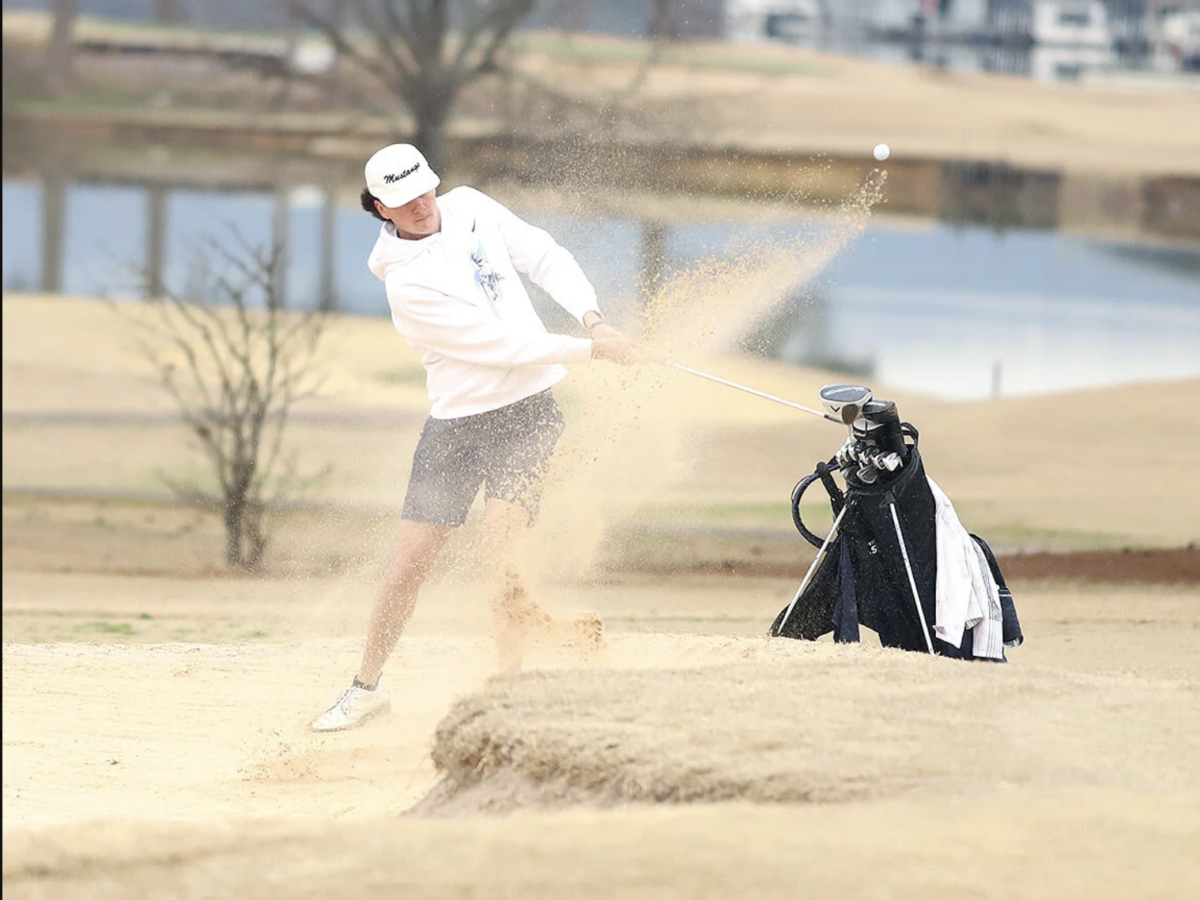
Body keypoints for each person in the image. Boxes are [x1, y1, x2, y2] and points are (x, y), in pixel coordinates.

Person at [312, 143, 646, 732]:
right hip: (457, 426)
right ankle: (366, 688)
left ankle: (508, 690)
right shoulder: (405, 285)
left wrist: (592, 317)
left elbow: (543, 256)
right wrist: (593, 350)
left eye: (423, 190)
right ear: (380, 209)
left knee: (503, 553)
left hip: (529, 415)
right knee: (412, 560)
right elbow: (499, 347)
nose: (420, 205)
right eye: (402, 201)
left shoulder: (469, 206)